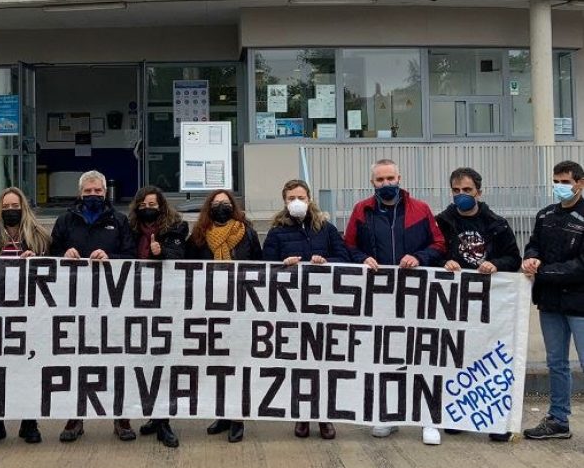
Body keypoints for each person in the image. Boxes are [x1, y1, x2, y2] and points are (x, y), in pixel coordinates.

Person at [344, 158, 446, 445]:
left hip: (416, 293)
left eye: (390, 178)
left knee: (421, 356)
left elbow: (438, 244)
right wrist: (362, 258)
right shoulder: (361, 211)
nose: (386, 184)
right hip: (379, 295)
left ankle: (428, 419)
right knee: (385, 356)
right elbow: (348, 245)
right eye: (380, 180)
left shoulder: (421, 209)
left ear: (400, 178)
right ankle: (388, 415)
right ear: (372, 183)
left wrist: (420, 258)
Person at [434, 166, 520, 443]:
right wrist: (442, 261)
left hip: (488, 302)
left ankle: (495, 419)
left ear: (479, 193)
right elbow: (432, 251)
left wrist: (496, 264)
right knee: (456, 357)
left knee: (489, 359)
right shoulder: (442, 222)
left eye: (467, 191)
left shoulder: (496, 223)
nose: (461, 196)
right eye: (457, 191)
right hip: (454, 302)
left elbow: (513, 258)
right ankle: (457, 415)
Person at [50, 170, 135, 443]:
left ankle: (121, 417)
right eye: (88, 191)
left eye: (97, 191)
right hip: (74, 304)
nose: (93, 195)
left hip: (113, 302)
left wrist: (111, 257)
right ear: (79, 193)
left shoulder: (120, 221)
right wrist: (63, 255)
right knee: (76, 361)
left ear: (105, 192)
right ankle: (75, 418)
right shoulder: (65, 221)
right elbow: (50, 254)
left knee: (117, 360)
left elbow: (132, 257)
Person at [263, 178, 349, 441]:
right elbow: (265, 264)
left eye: (300, 197)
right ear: (285, 201)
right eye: (291, 198)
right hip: (291, 307)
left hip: (324, 306)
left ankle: (324, 416)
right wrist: (282, 263)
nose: (296, 202)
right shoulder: (277, 232)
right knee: (298, 364)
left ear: (309, 199)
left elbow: (344, 258)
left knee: (323, 363)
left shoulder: (326, 228)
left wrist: (325, 262)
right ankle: (301, 415)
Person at [0, 187, 51, 446]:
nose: (10, 211)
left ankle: (29, 422)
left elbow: (55, 270)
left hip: (30, 316)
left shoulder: (39, 236)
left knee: (28, 370)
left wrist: (37, 259)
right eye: (5, 207)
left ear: (23, 208)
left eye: (14, 206)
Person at [186, 189, 261, 443]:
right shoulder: (198, 236)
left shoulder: (247, 233)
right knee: (216, 365)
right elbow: (185, 268)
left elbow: (260, 267)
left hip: (240, 306)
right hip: (210, 308)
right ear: (209, 207)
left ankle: (237, 417)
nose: (221, 207)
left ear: (234, 207)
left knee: (238, 364)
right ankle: (222, 414)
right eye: (216, 203)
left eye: (226, 203)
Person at [521, 160, 584, 441]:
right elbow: (533, 242)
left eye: (565, 182)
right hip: (550, 303)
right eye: (556, 181)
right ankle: (558, 419)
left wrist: (543, 272)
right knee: (556, 363)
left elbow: (581, 266)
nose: (559, 187)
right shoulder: (545, 215)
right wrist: (531, 257)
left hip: (580, 304)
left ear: (580, 183)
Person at [127, 186, 187, 449]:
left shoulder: (176, 228)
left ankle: (163, 421)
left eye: (153, 203)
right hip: (134, 304)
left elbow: (180, 258)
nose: (147, 207)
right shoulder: (129, 229)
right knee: (143, 362)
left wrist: (160, 253)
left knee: (163, 362)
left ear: (161, 206)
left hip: (165, 305)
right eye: (143, 203)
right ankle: (153, 415)